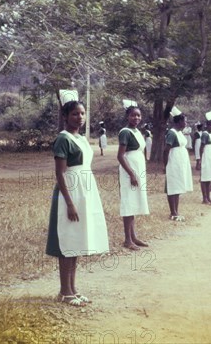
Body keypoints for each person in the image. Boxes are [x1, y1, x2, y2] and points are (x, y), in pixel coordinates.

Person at [46, 91, 109, 306]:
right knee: (68, 241)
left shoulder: (81, 138)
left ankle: (73, 288)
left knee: (77, 241)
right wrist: (70, 203)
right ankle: (64, 291)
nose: (79, 117)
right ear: (65, 116)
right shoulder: (63, 139)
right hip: (70, 194)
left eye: (82, 113)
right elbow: (60, 174)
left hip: (85, 191)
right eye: (74, 114)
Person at [117, 102, 150, 250]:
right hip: (129, 170)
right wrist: (131, 174)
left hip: (138, 168)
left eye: (138, 115)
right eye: (133, 115)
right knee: (129, 202)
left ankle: (134, 236)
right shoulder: (125, 132)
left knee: (135, 201)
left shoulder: (137, 131)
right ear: (127, 116)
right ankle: (127, 239)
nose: (136, 117)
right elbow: (120, 156)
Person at [164, 106, 194, 221]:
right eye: (184, 121)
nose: (186, 123)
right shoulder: (172, 133)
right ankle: (173, 212)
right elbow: (166, 150)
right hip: (173, 162)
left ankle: (176, 211)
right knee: (173, 186)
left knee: (178, 186)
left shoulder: (180, 133)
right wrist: (165, 165)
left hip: (180, 162)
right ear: (179, 121)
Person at [199, 119, 211, 205]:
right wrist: (200, 160)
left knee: (209, 179)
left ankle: (208, 198)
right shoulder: (205, 134)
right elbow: (201, 147)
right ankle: (204, 198)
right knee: (204, 179)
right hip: (206, 159)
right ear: (207, 126)